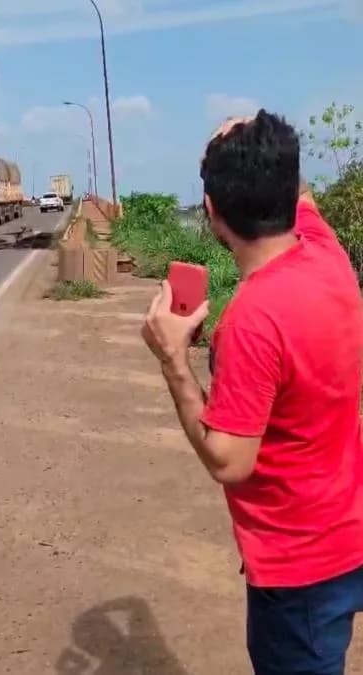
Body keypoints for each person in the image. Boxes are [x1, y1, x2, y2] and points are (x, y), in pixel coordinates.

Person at [141, 110, 363, 674]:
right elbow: (304, 198)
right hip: (349, 528)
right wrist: (255, 142)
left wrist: (172, 358)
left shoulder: (251, 322)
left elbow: (229, 459)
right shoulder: (327, 257)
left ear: (212, 213)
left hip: (298, 566)